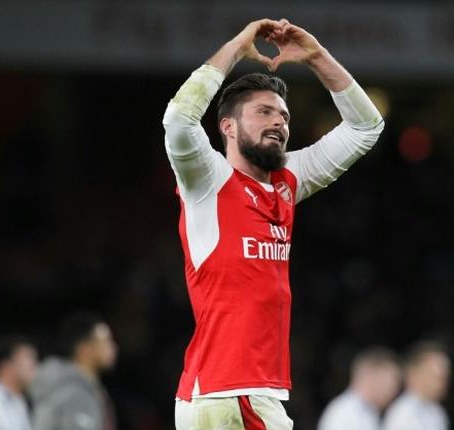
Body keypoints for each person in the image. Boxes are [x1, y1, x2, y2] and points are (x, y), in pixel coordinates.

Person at [162, 18, 385, 430]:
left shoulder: (288, 180)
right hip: (228, 392)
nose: (279, 122)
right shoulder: (208, 180)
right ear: (227, 126)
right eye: (264, 112)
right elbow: (178, 121)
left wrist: (317, 58)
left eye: (283, 115)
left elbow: (366, 127)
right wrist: (234, 47)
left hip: (241, 392)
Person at [30, 312, 118, 430]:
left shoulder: (90, 389)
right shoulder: (67, 391)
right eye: (106, 341)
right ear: (84, 349)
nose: (113, 347)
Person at [317, 347, 402, 430]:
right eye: (389, 383)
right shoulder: (347, 413)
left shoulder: (366, 411)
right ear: (371, 377)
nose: (394, 391)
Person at [383, 341, 452, 430]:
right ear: (416, 374)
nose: (444, 382)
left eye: (446, 377)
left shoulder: (437, 412)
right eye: (438, 376)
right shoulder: (404, 415)